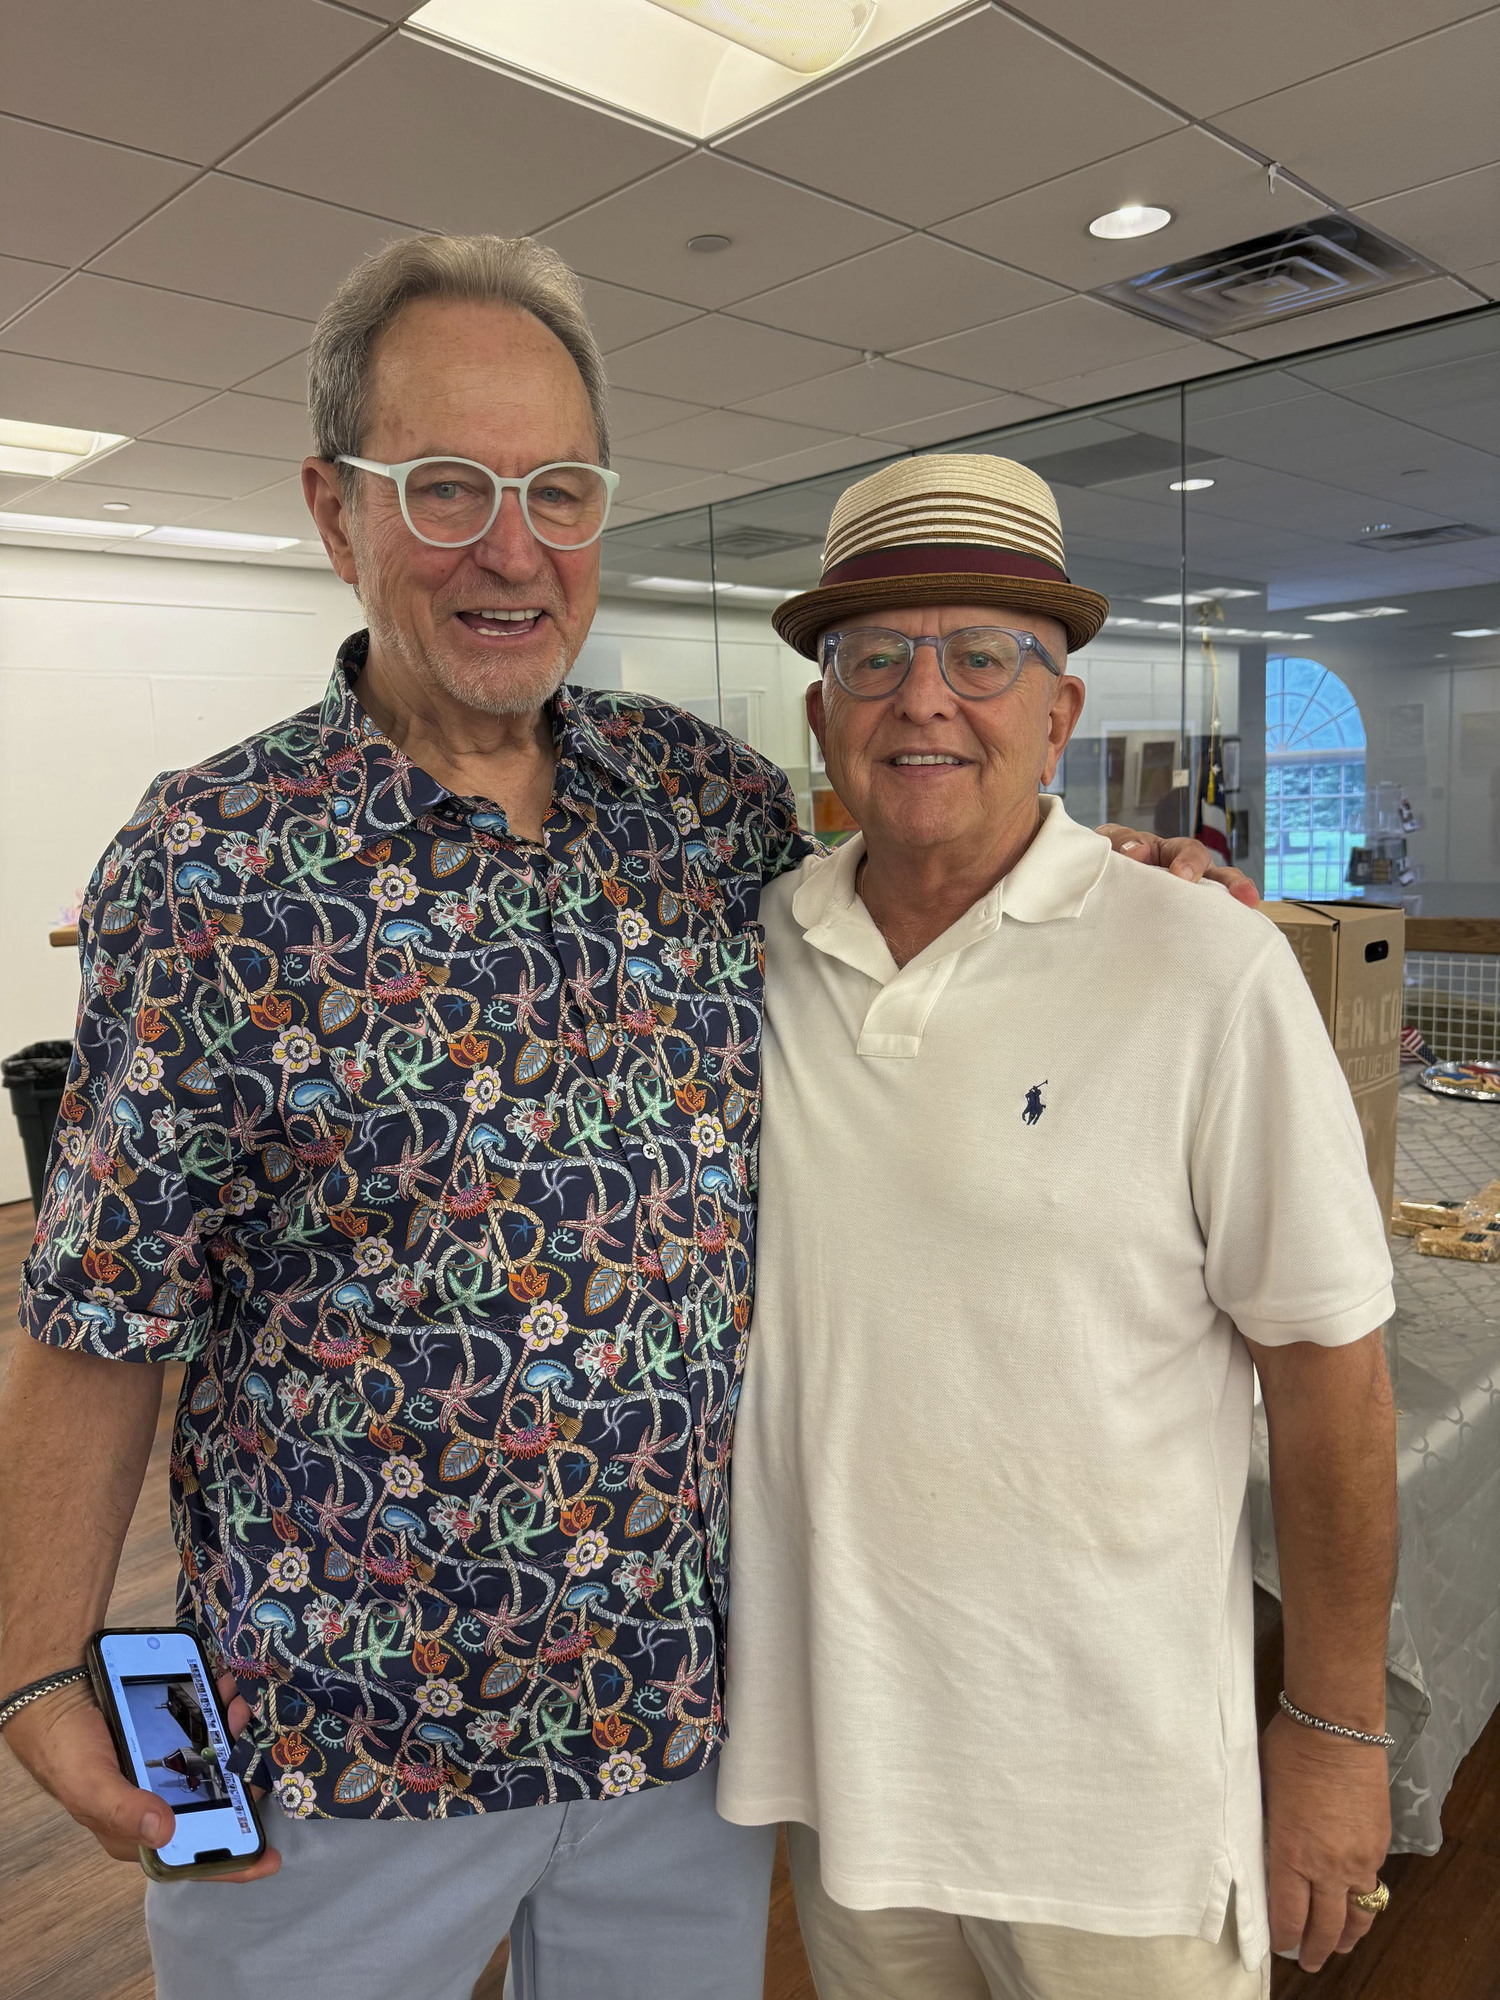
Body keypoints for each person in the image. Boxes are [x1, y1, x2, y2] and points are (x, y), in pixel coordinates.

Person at [0, 237, 1244, 2000]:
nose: (512, 549)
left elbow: (923, 870)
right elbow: (100, 1303)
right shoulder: (211, 864)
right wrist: (36, 1665)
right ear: (331, 510)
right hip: (326, 1755)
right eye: (447, 488)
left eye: (559, 491)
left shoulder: (703, 802)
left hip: (677, 1736)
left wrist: (1128, 871)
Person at [716, 455, 1399, 2000]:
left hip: (1121, 1814)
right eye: (874, 657)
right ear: (822, 717)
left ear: (1059, 713)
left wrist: (1337, 1733)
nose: (924, 700)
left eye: (981, 656)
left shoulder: (1202, 967)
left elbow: (1332, 1377)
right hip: (852, 1785)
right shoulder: (750, 950)